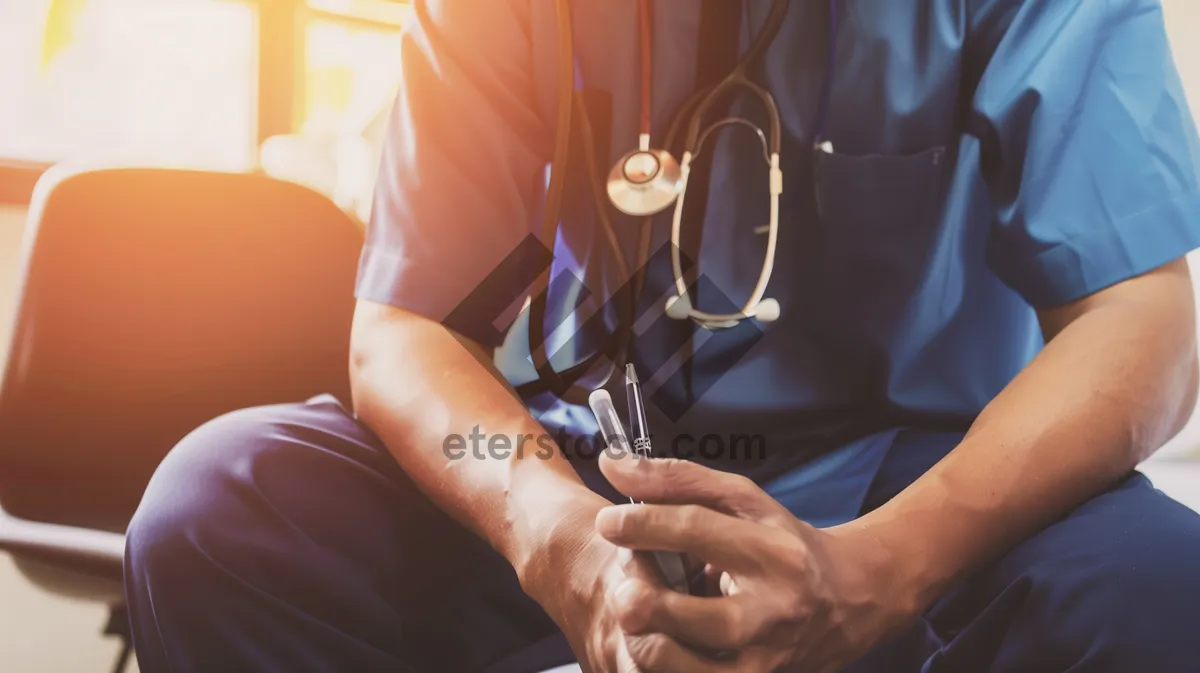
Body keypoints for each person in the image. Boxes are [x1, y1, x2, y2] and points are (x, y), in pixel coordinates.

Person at [124, 1, 1200, 671]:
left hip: (915, 493)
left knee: (1157, 587)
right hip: (570, 462)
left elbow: (1141, 312)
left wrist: (884, 568)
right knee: (222, 509)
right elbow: (409, 327)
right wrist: (551, 532)